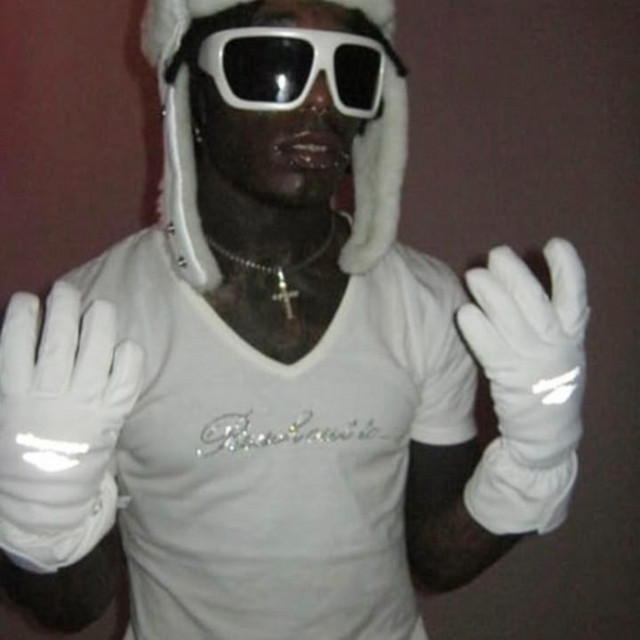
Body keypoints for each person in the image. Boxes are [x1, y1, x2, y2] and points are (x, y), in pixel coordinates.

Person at [0, 1, 589, 639]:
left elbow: (437, 557)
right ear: (196, 95)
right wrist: (35, 520)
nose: (321, 101)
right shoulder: (90, 322)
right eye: (273, 63)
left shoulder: (425, 300)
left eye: (352, 71)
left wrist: (536, 458)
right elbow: (73, 606)